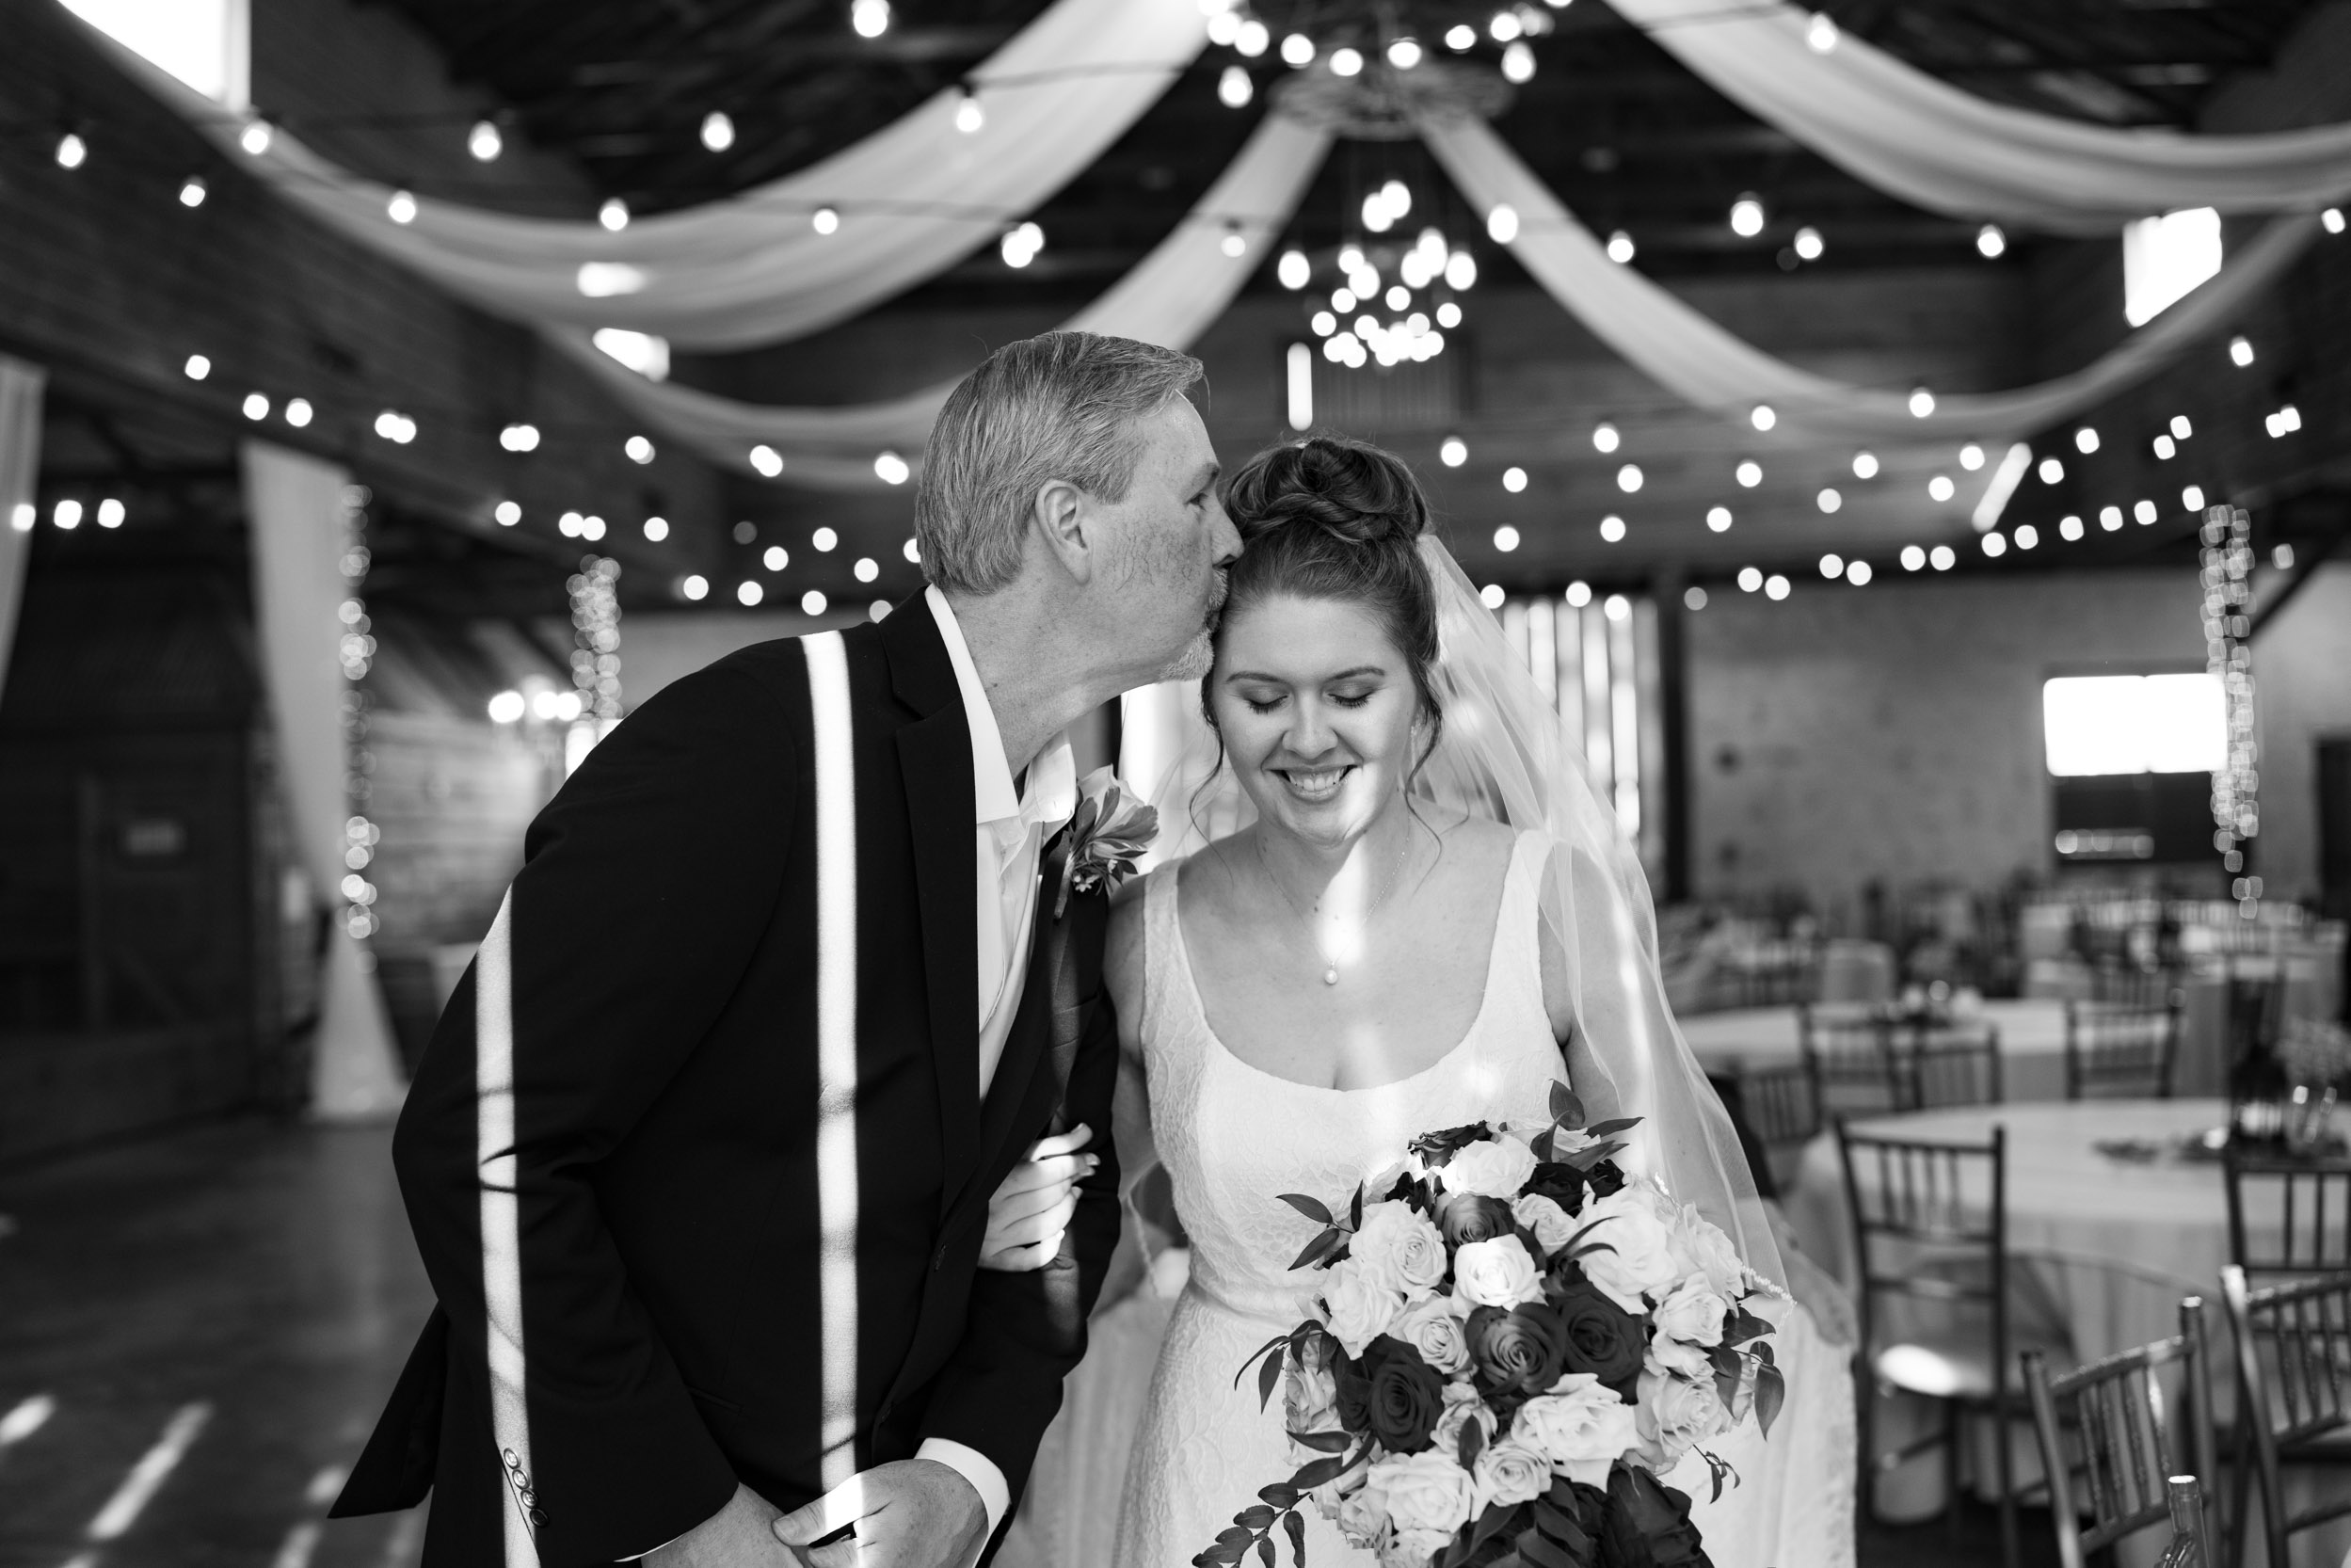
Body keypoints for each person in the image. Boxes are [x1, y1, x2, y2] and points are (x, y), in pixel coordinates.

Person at [328, 330, 1240, 1568]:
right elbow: (480, 1139)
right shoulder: (751, 743)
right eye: (1195, 496)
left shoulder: (1069, 831)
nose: (1227, 537)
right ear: (1069, 524)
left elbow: (1054, 1209)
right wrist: (684, 1520)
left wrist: (966, 1470)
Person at [982, 437, 1852, 1568]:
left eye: (1351, 691)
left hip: (1503, 1504)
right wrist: (1004, 1231)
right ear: (1210, 699)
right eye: (1260, 696)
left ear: (1420, 694)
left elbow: (1672, 1235)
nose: (1305, 738)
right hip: (1222, 1486)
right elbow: (1102, 1231)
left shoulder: (1545, 899)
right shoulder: (1137, 936)